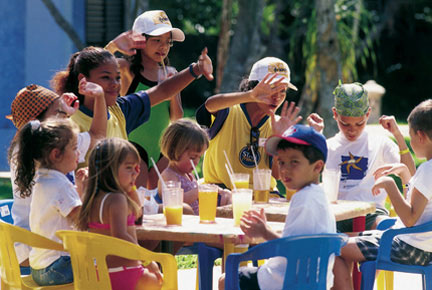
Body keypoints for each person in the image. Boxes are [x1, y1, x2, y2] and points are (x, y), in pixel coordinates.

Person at [50, 45, 213, 167]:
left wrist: (197, 69)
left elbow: (162, 90)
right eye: (106, 77)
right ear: (83, 79)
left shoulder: (119, 110)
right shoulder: (69, 120)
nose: (115, 84)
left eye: (118, 78)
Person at [218, 124, 336, 290]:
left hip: (285, 280)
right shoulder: (318, 195)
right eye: (281, 162)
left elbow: (293, 248)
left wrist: (264, 232)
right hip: (315, 281)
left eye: (294, 162)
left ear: (317, 167)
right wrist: (263, 231)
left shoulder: (303, 198)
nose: (285, 170)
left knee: (226, 279)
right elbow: (299, 239)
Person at [332, 99, 432, 290]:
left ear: (420, 136)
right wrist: (404, 173)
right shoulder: (429, 170)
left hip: (406, 248)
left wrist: (389, 186)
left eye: (409, 136)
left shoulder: (428, 170)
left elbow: (410, 218)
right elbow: (417, 207)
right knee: (346, 241)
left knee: (333, 247)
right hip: (421, 247)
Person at [8, 80, 106, 268]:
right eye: (58, 113)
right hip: (45, 250)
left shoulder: (30, 150)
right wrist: (99, 98)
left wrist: (64, 116)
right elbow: (98, 135)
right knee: (104, 262)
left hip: (33, 249)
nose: (63, 117)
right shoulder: (50, 161)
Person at [105, 10, 184, 189]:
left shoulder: (171, 73)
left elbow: (177, 118)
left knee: (160, 205)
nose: (163, 47)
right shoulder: (126, 69)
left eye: (168, 42)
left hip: (162, 149)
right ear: (140, 41)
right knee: (137, 201)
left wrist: (170, 89)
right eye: (157, 40)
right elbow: (94, 65)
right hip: (133, 146)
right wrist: (113, 46)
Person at [196, 57, 301, 191]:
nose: (277, 97)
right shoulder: (229, 110)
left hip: (263, 195)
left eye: (283, 91)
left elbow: (277, 174)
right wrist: (250, 96)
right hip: (221, 193)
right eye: (272, 88)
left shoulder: (280, 124)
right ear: (253, 86)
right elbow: (210, 105)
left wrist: (278, 140)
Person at [322, 82, 415, 232]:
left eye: (359, 124)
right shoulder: (327, 146)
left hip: (372, 214)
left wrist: (398, 135)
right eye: (345, 124)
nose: (352, 130)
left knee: (389, 229)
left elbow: (411, 176)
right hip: (336, 215)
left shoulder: (380, 143)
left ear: (368, 114)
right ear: (335, 114)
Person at [76, 138, 162, 290]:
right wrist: (148, 260)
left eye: (137, 168)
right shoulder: (117, 199)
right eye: (129, 168)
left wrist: (131, 186)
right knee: (159, 279)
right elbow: (120, 236)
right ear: (109, 169)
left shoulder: (94, 198)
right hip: (125, 274)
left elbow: (137, 212)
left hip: (100, 275)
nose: (136, 172)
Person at [14, 118, 82, 286]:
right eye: (74, 148)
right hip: (58, 267)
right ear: (56, 154)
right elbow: (81, 218)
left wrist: (78, 188)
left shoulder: (43, 178)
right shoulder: (59, 184)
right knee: (106, 267)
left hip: (39, 267)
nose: (79, 153)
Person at [158, 119, 231, 215]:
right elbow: (175, 202)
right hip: (183, 222)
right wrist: (198, 191)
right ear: (175, 150)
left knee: (228, 196)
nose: (196, 162)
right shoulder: (169, 175)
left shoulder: (188, 174)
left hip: (198, 218)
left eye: (199, 157)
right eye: (192, 157)